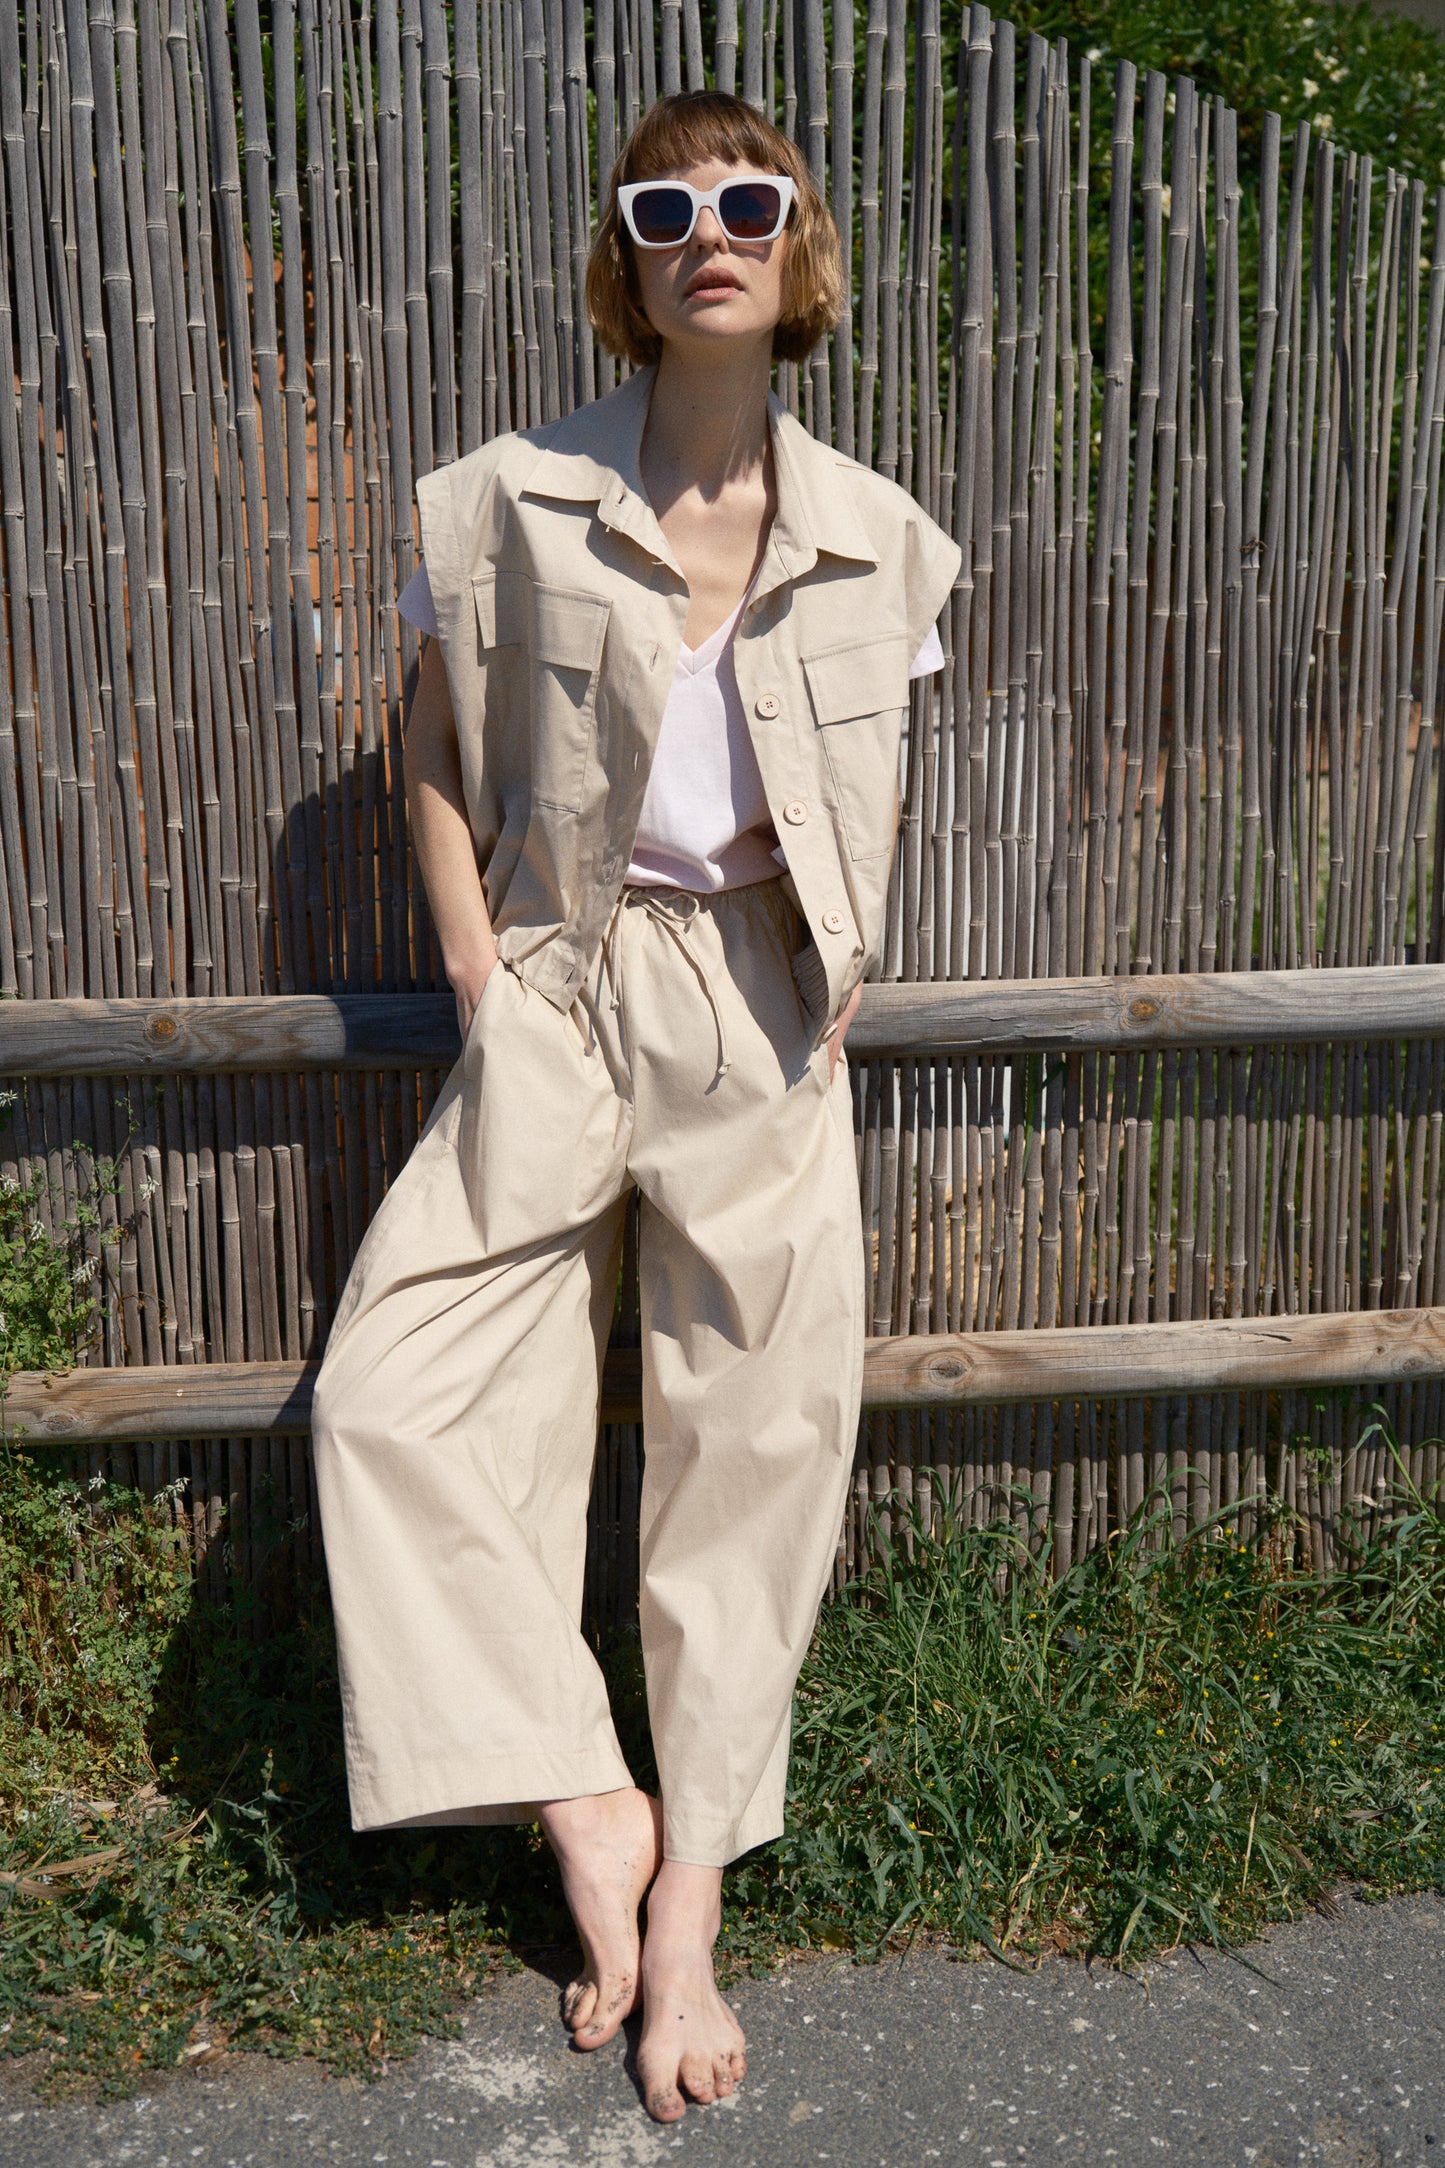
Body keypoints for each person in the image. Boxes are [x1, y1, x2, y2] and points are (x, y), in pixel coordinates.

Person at [310, 88, 960, 2125]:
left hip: (760, 1001)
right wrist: (473, 960)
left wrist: (841, 962)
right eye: (663, 210)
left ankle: (690, 1902)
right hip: (566, 980)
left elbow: (865, 780)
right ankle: (587, 1793)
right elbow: (429, 749)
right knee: (388, 1397)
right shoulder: (507, 498)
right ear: (626, 256)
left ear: (799, 241)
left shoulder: (884, 538)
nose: (710, 235)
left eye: (747, 201)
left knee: (756, 1444)